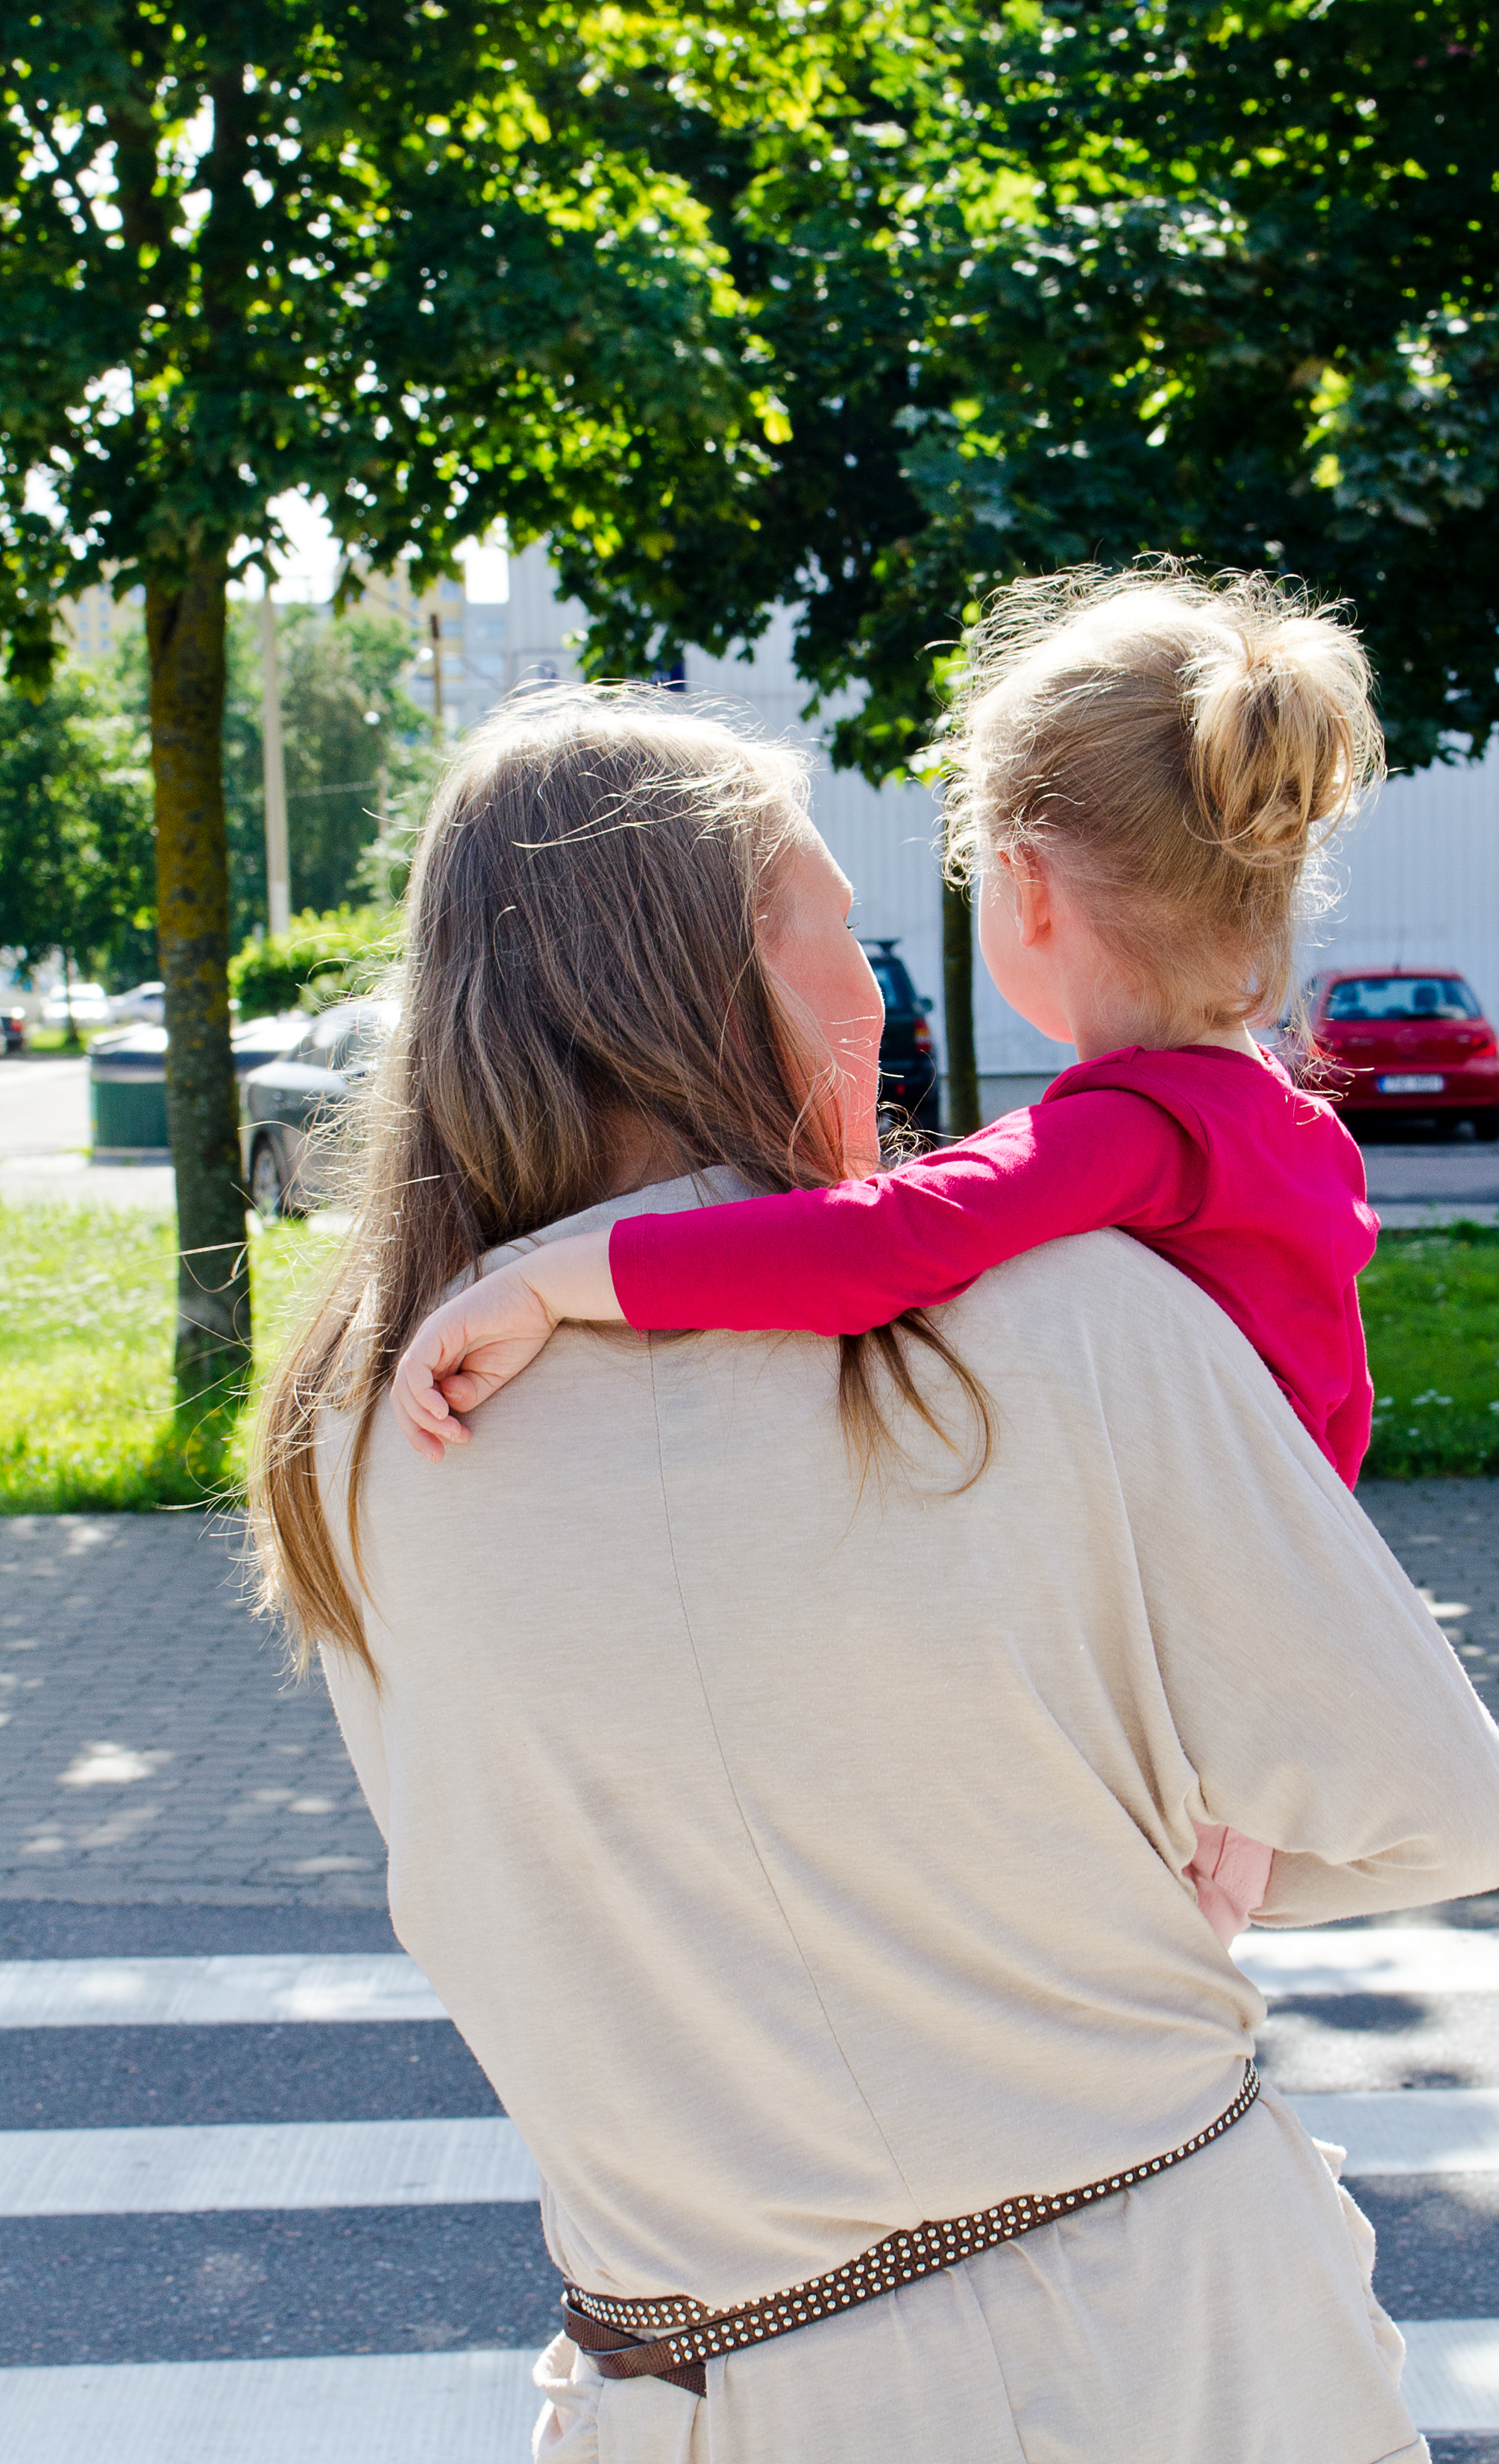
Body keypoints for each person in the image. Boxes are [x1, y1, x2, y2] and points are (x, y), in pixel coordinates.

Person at [251, 688, 1499, 2464]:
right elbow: (1437, 1814)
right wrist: (1199, 1848)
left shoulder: (362, 1435)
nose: (883, 1004)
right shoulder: (1075, 1320)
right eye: (839, 931)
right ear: (718, 978)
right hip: (1183, 2431)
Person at [388, 567, 1383, 1945]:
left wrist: (567, 1277)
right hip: (1260, 1616)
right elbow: (1335, 1406)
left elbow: (884, 1247)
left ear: (1025, 890)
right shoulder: (1296, 1136)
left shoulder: (1124, 1134)